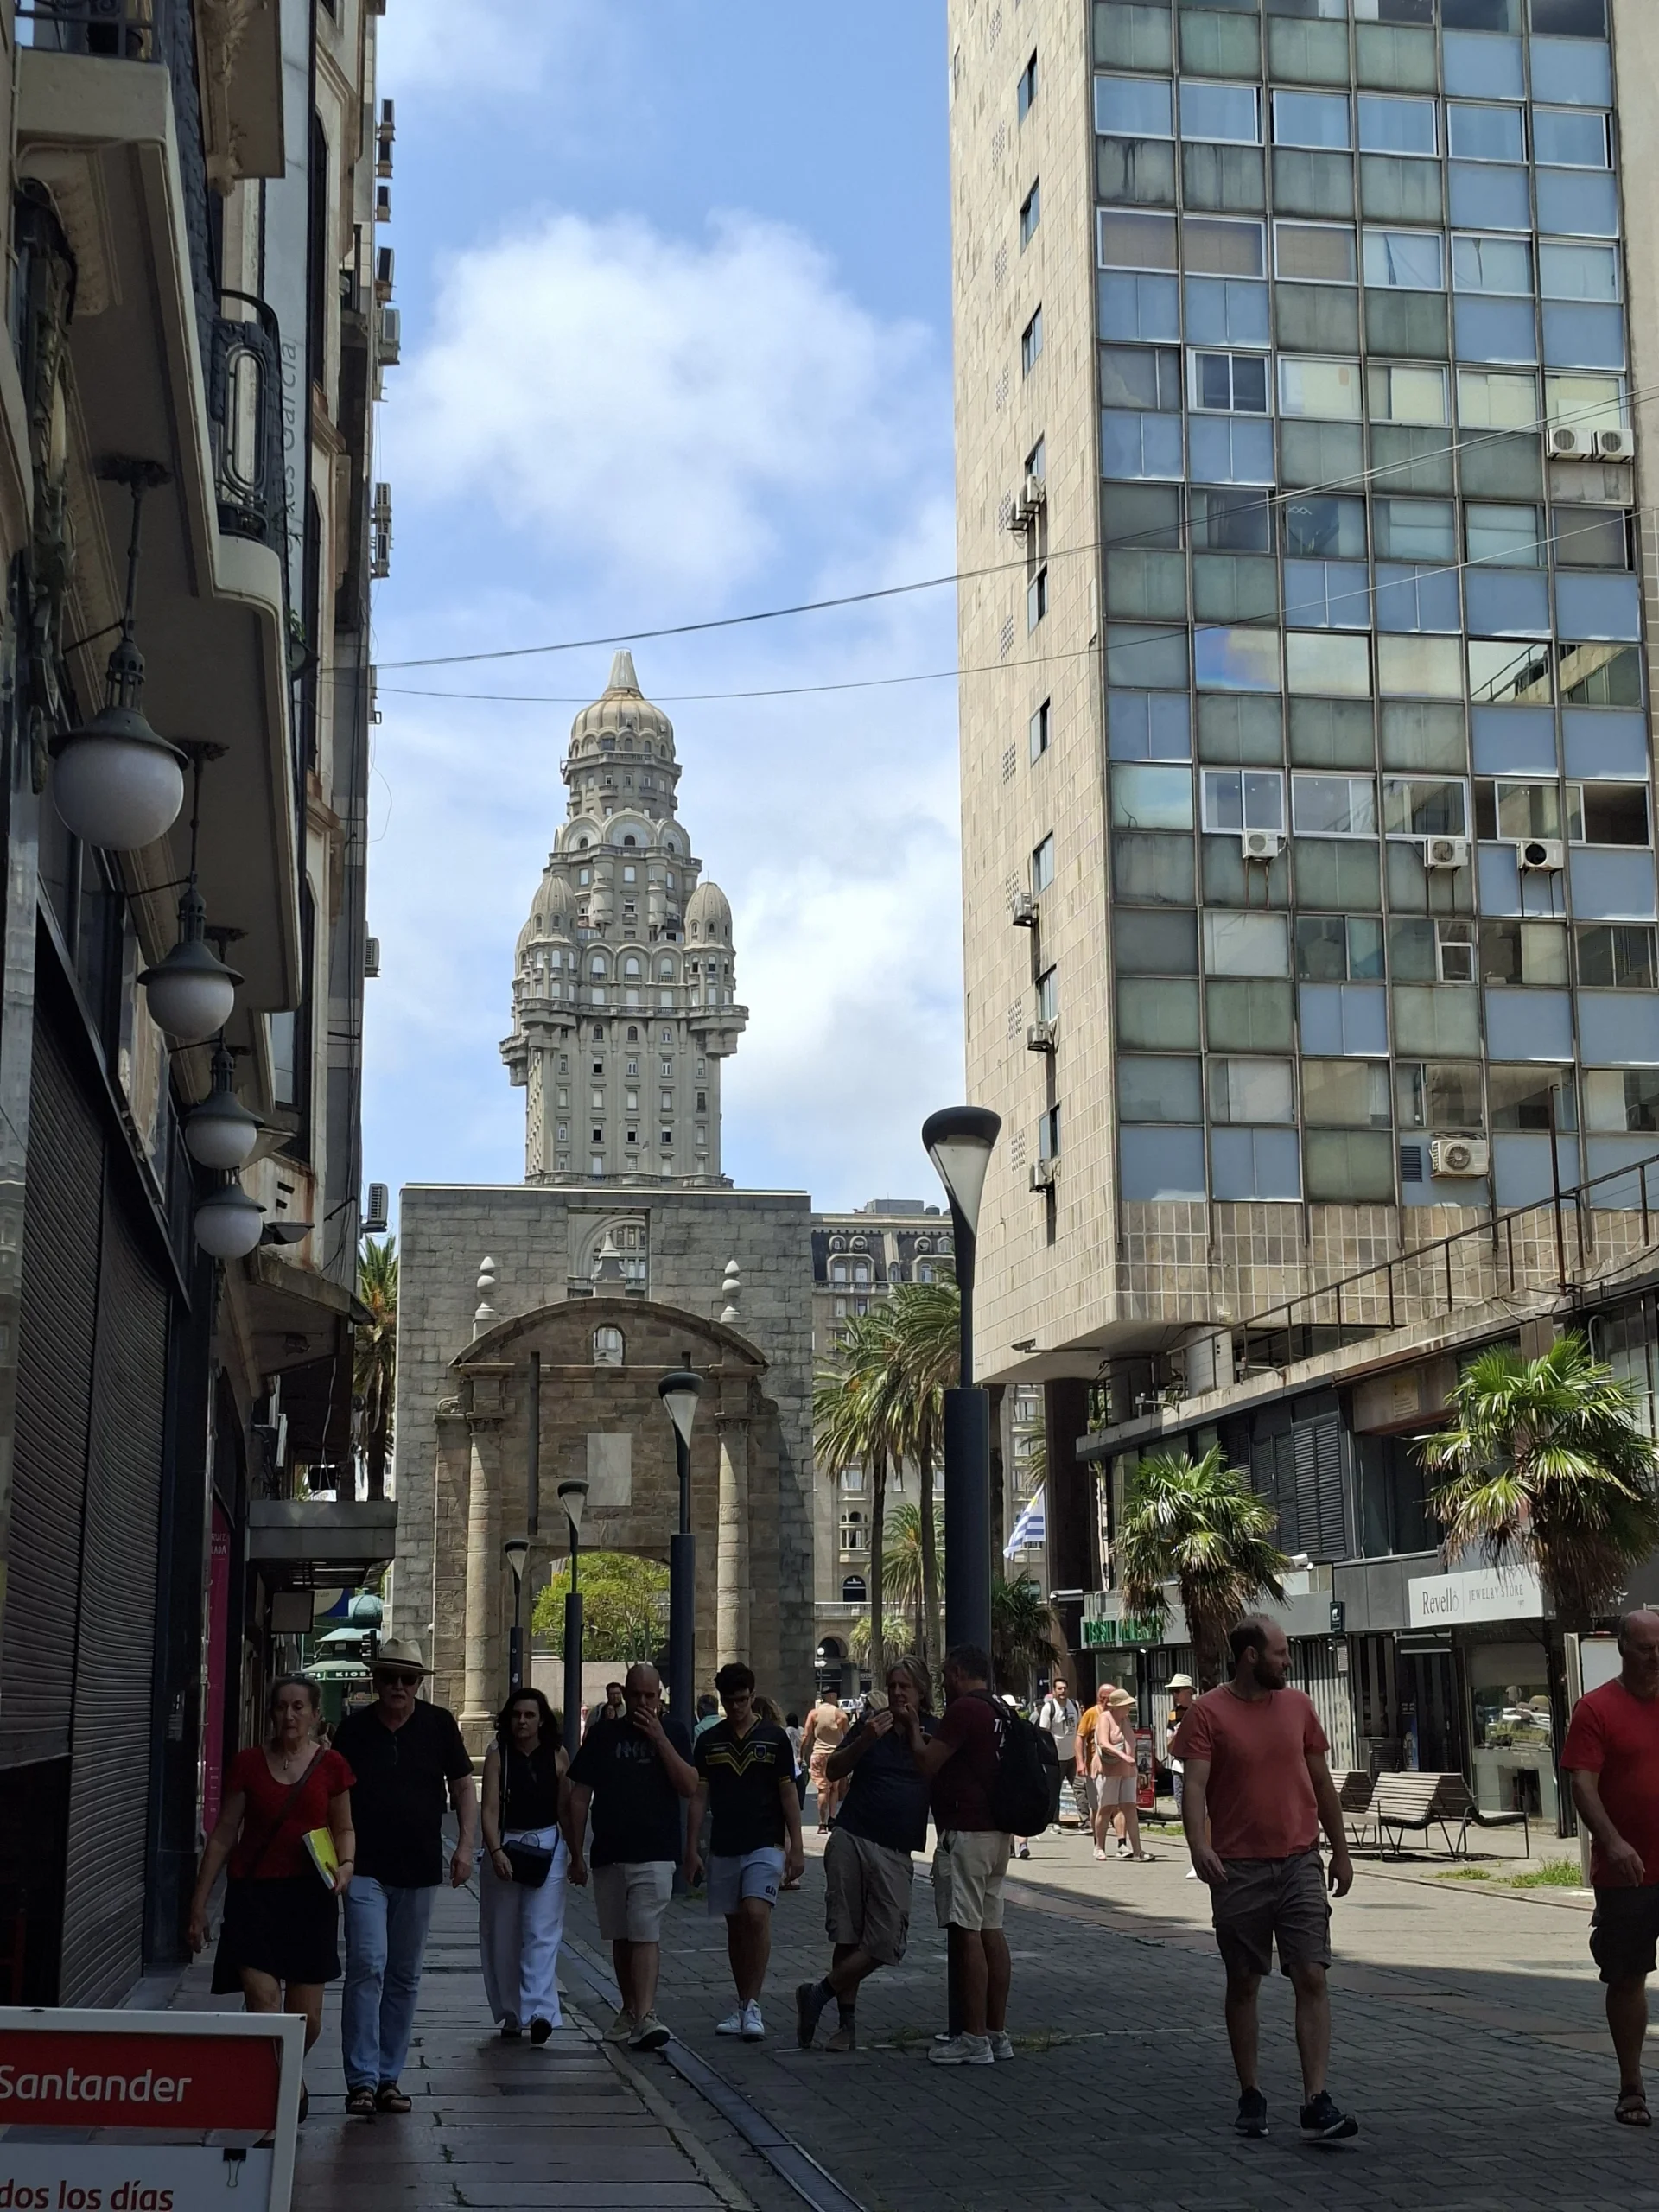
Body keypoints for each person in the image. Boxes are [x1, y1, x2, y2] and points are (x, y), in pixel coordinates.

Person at [1179, 1615, 1357, 2143]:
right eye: (1279, 1653)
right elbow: (1194, 1788)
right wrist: (1199, 1846)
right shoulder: (1207, 1713)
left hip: (1300, 1861)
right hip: (1239, 1869)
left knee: (1311, 1974)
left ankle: (1316, 2100)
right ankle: (1251, 2092)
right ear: (1251, 1656)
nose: (1287, 1661)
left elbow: (1322, 1783)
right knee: (1244, 1981)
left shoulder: (1299, 1707)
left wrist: (1341, 1853)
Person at [188, 1676, 354, 2124]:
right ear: (271, 1714)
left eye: (299, 1707)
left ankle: (285, 2075)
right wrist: (198, 1904)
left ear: (316, 1715)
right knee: (264, 2003)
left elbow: (343, 1828)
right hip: (254, 1895)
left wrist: (347, 1864)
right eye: (282, 1707)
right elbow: (224, 1835)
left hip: (310, 1899)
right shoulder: (248, 1764)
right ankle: (283, 2097)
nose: (290, 1716)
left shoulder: (331, 1766)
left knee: (309, 2021)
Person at [332, 1639, 476, 2115]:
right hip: (363, 1867)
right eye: (388, 1677)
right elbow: (333, 1794)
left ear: (418, 1683)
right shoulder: (353, 1730)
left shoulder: (438, 1725)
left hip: (417, 1868)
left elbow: (462, 1786)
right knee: (368, 1963)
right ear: (376, 1682)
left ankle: (389, 2077)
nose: (397, 1686)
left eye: (407, 1678)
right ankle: (361, 2080)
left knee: (404, 1974)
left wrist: (465, 1846)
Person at [797, 1657, 936, 2053]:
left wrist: (913, 1735)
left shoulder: (933, 1730)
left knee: (886, 1939)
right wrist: (864, 1740)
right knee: (848, 1931)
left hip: (896, 1847)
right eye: (892, 1686)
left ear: (921, 1691)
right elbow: (833, 1770)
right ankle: (846, 2025)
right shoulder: (872, 1723)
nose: (896, 1694)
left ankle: (817, 1994)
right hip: (853, 1835)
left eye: (904, 1687)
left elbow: (936, 1777)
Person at [565, 1661, 698, 2052]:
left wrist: (660, 1739)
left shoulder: (674, 1731)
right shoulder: (604, 1734)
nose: (643, 1703)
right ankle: (629, 2008)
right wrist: (576, 1853)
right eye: (636, 1695)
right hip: (610, 1850)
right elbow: (579, 1795)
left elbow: (689, 1785)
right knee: (621, 1936)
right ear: (624, 1693)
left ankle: (646, 2015)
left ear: (660, 1697)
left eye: (650, 1696)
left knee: (645, 1931)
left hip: (655, 1851)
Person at [1563, 1606, 1659, 2126]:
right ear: (1622, 1648)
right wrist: (1613, 1842)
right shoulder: (1596, 1709)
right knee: (1627, 1976)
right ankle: (1632, 2087)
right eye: (1646, 1648)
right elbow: (1582, 1783)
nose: (1656, 1658)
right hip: (1629, 1873)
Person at [897, 1643, 1012, 2067]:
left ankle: (974, 2038)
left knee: (966, 1932)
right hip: (999, 1832)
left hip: (966, 1832)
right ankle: (997, 2033)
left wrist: (911, 1729)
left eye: (947, 1673)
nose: (943, 1681)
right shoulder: (1001, 1709)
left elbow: (928, 1763)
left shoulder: (965, 1710)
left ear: (960, 1672)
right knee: (991, 1929)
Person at [685, 1662, 804, 2040]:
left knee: (756, 1914)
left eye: (741, 1700)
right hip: (725, 1842)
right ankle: (742, 2003)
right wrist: (691, 1848)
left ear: (752, 1697)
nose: (736, 1707)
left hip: (765, 1841)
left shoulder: (774, 1739)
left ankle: (753, 2003)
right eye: (729, 1701)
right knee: (736, 1926)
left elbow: (789, 1794)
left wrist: (796, 1847)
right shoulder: (709, 1742)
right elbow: (698, 1797)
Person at [480, 1688, 569, 2044]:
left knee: (541, 1932)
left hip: (548, 1845)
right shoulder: (497, 1753)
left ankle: (540, 2012)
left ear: (541, 1719)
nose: (522, 1722)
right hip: (508, 1845)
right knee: (502, 1934)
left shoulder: (557, 1756)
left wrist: (576, 1854)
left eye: (530, 1715)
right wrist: (496, 1850)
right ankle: (511, 2012)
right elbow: (489, 1809)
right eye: (517, 1715)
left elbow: (566, 1810)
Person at [1094, 1688, 1154, 1864]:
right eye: (1126, 1705)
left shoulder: (1125, 1720)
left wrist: (1132, 1762)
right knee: (1106, 1808)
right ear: (1115, 1706)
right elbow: (1104, 1742)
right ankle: (1100, 1847)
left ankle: (1138, 1850)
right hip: (1109, 1769)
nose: (1128, 1708)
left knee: (1130, 1808)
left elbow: (1130, 1742)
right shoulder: (1105, 1718)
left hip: (1127, 1770)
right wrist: (1122, 1756)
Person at [800, 1690, 851, 1834]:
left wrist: (801, 1754)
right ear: (833, 1696)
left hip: (818, 1754)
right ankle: (832, 1818)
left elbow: (806, 1736)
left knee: (823, 1789)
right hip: (835, 1755)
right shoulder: (841, 1715)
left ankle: (822, 1823)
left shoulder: (814, 1714)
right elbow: (848, 1738)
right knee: (834, 1788)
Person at [1037, 1676, 1083, 1833]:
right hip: (1056, 1757)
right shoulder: (1049, 1708)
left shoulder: (1074, 1705)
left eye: (1064, 1688)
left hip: (1073, 1755)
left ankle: (1082, 1818)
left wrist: (1080, 1754)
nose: (1062, 1691)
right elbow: (1044, 1732)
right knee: (1054, 1790)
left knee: (1078, 1788)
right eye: (1059, 1689)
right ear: (1054, 1691)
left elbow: (1079, 1729)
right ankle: (1054, 1821)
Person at [1166, 1674, 1198, 1878]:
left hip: (1198, 1769)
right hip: (1179, 1767)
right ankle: (1194, 1859)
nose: (1174, 1695)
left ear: (1189, 1691)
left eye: (1177, 1691)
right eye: (1172, 1692)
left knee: (1203, 1816)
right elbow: (1170, 1746)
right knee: (1185, 1816)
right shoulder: (1173, 1715)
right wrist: (1177, 1732)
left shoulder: (1201, 1711)